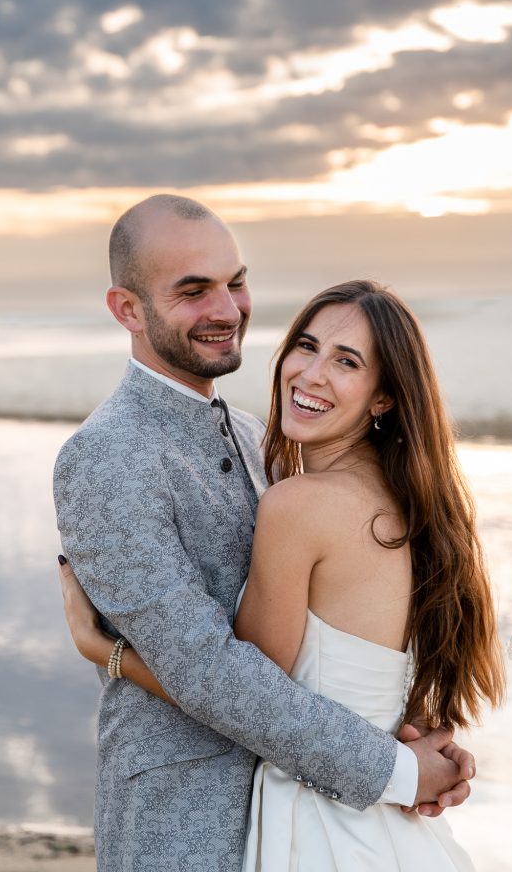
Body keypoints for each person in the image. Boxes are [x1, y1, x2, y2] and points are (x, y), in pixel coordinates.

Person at [54, 196, 477, 872]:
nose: (227, 309)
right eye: (194, 291)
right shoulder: (109, 457)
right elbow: (213, 672)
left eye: (236, 282)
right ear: (127, 310)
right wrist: (396, 768)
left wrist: (100, 650)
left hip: (308, 813)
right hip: (183, 823)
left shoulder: (262, 440)